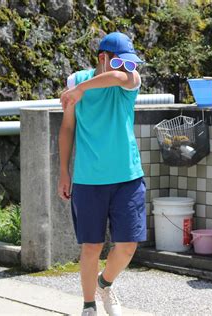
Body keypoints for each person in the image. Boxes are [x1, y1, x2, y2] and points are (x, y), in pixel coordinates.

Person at [58, 32, 146, 316]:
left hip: (127, 177)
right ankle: (88, 305)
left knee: (128, 246)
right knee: (91, 247)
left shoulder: (129, 80)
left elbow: (119, 79)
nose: (128, 69)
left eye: (131, 64)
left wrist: (82, 90)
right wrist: (63, 171)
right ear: (102, 58)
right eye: (121, 62)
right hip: (88, 178)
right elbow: (68, 128)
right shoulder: (74, 82)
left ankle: (104, 282)